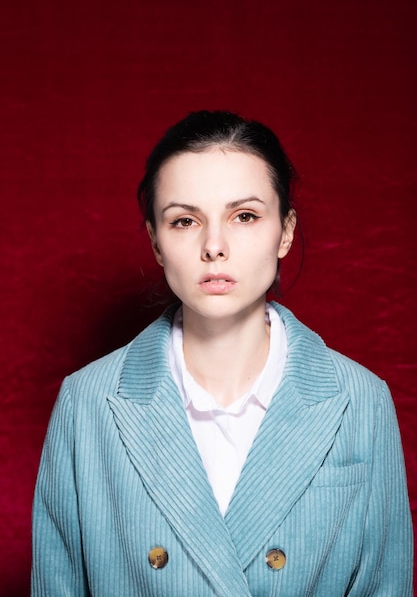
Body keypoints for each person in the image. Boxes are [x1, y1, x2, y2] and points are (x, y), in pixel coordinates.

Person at [31, 110, 413, 596]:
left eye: (245, 216)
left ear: (286, 231)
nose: (215, 246)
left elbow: (386, 583)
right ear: (155, 241)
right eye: (185, 220)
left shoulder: (360, 400)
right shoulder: (87, 402)